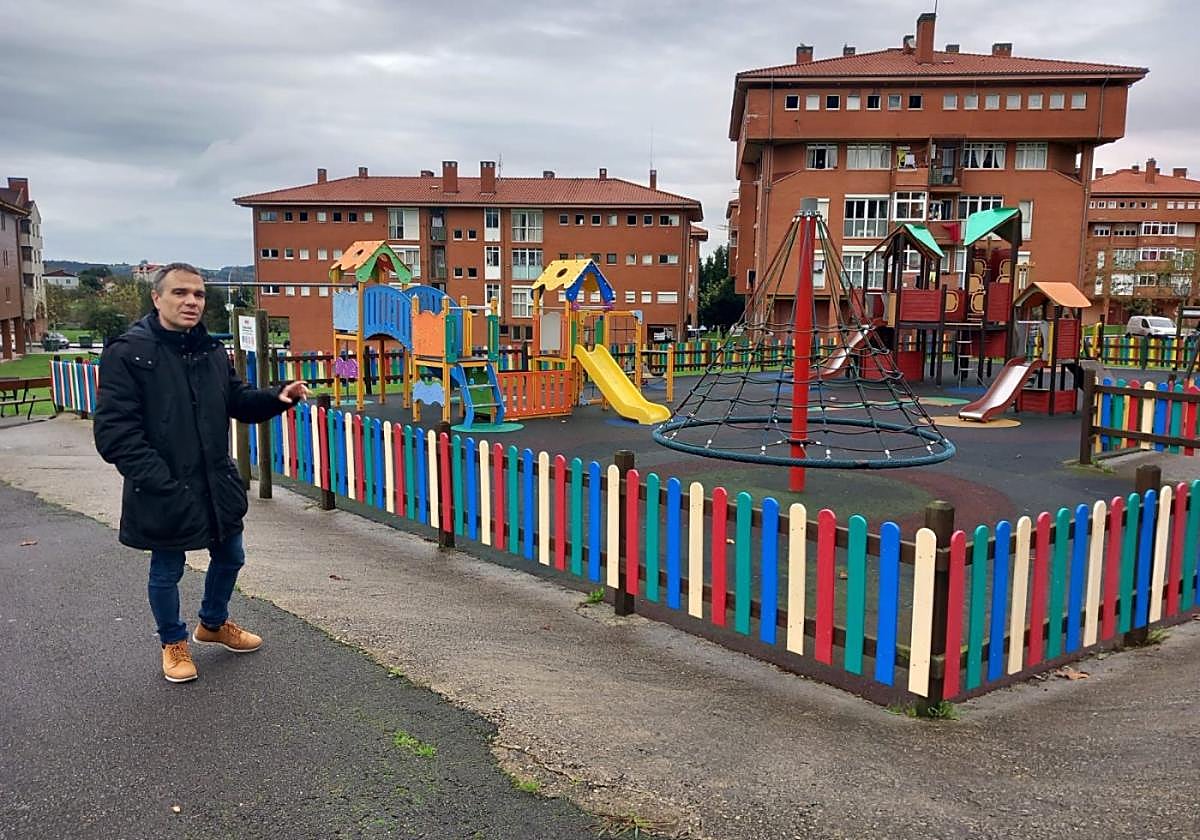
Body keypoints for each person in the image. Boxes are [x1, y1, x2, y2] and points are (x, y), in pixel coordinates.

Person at [93, 263, 309, 683]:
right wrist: (161, 481)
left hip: (214, 482)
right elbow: (115, 432)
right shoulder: (129, 353)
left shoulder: (210, 350)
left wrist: (275, 398)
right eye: (180, 293)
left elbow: (235, 399)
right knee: (167, 569)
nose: (191, 301)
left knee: (231, 555)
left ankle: (213, 623)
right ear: (157, 298)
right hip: (163, 486)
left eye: (198, 294)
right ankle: (173, 642)